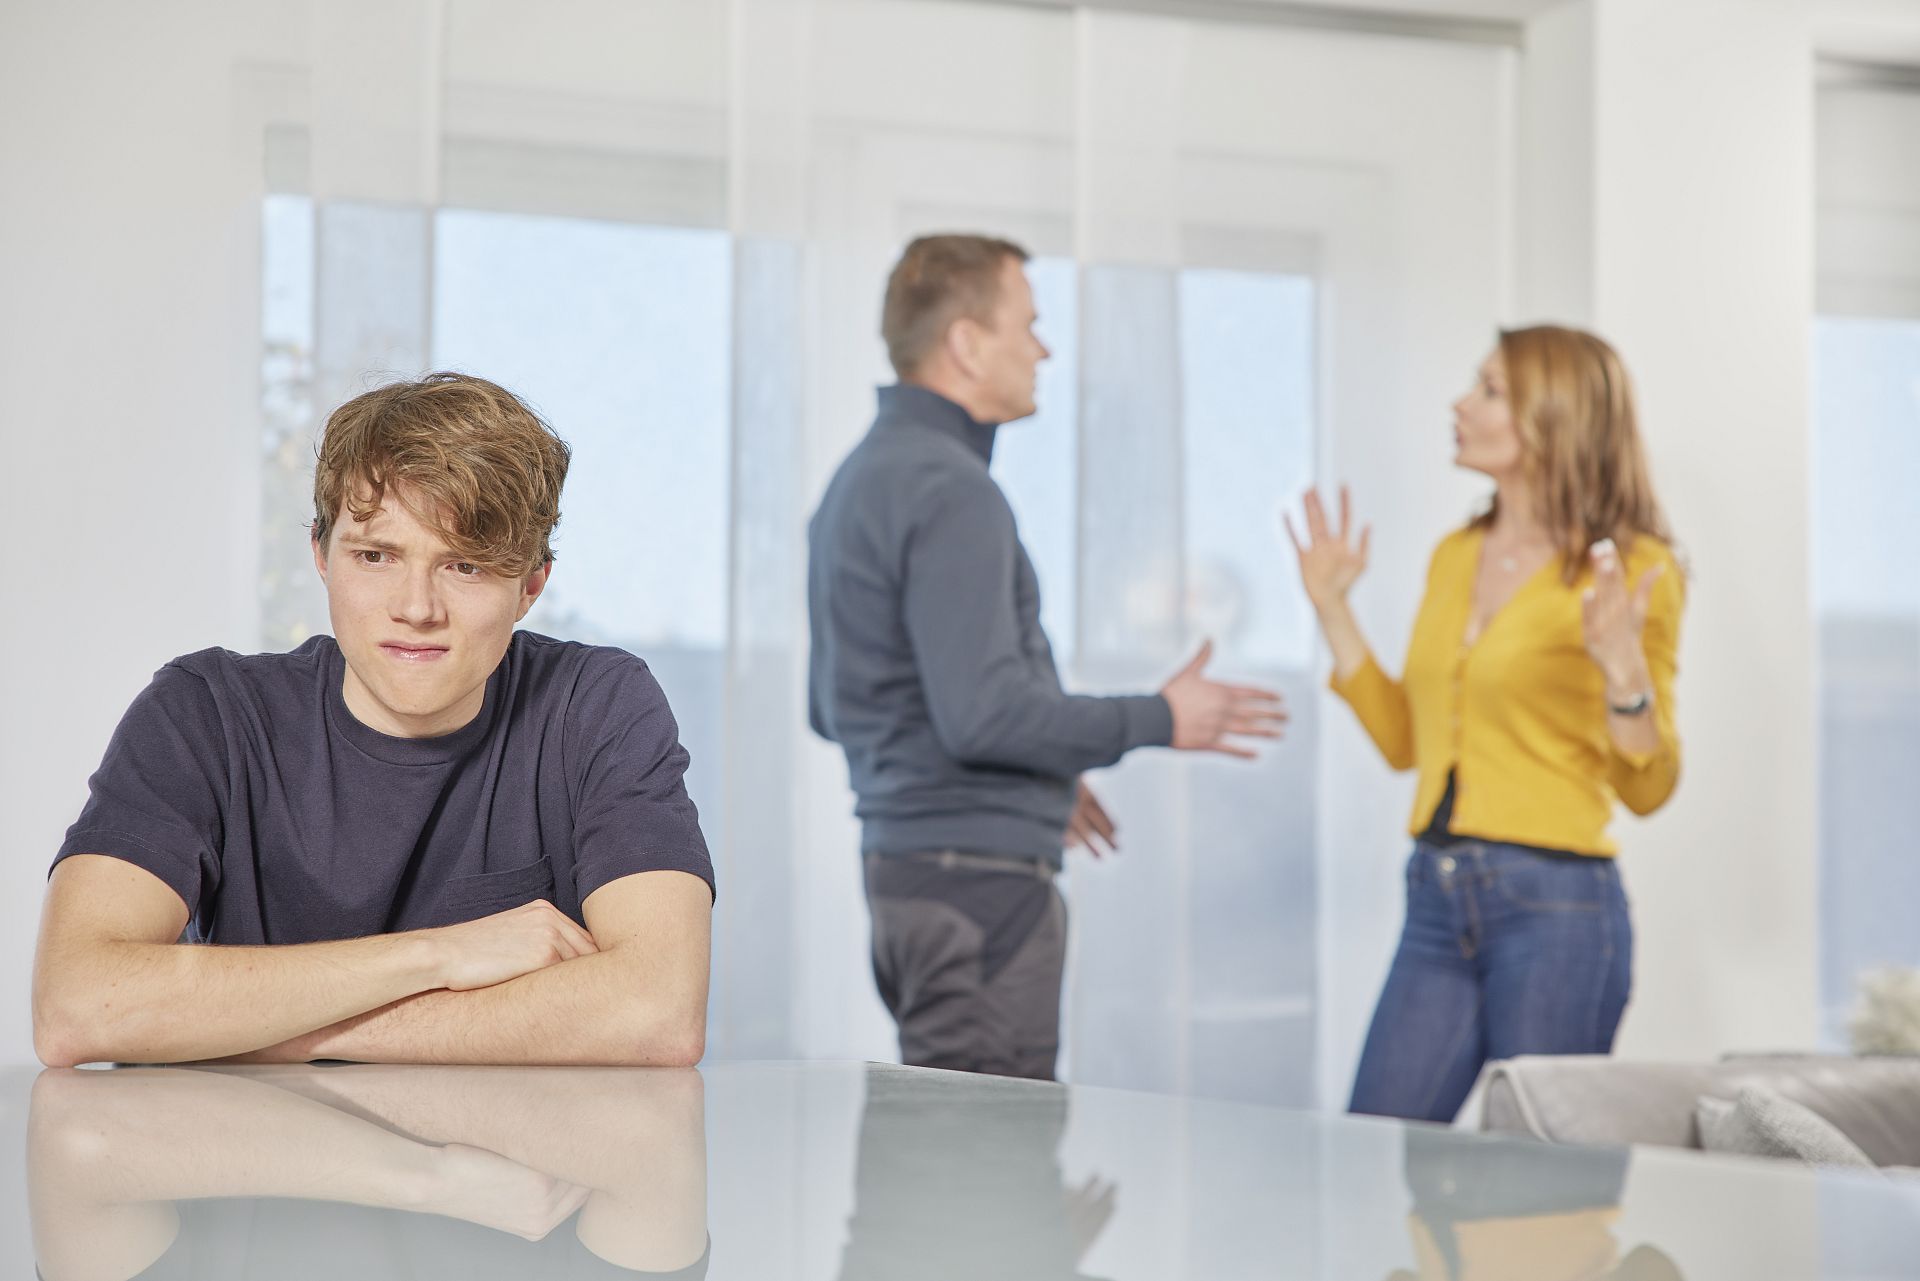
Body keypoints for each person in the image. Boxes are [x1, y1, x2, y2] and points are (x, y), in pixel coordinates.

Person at [32, 373, 714, 1068]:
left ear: (531, 585)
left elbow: (657, 1012)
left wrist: (272, 1035)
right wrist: (437, 954)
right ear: (321, 554)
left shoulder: (595, 706)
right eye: (376, 555)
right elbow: (79, 1004)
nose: (416, 606)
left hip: (512, 1170)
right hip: (258, 1163)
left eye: (466, 565)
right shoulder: (204, 713)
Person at [808, 233, 1286, 1081]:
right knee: (985, 1185)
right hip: (980, 892)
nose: (1044, 349)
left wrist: (1033, 776)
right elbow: (983, 714)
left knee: (943, 1169)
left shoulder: (861, 480)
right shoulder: (954, 490)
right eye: (1027, 324)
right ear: (965, 342)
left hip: (908, 885)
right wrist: (1163, 716)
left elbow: (835, 704)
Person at [1287, 325, 1683, 1123]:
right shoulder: (1454, 555)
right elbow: (1408, 741)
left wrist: (1623, 669)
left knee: (1543, 1198)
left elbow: (1648, 785)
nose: (1461, 404)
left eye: (1491, 390)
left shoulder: (1633, 569)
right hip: (1436, 895)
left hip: (1558, 907)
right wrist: (1333, 608)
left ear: (1557, 416)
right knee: (1371, 1153)